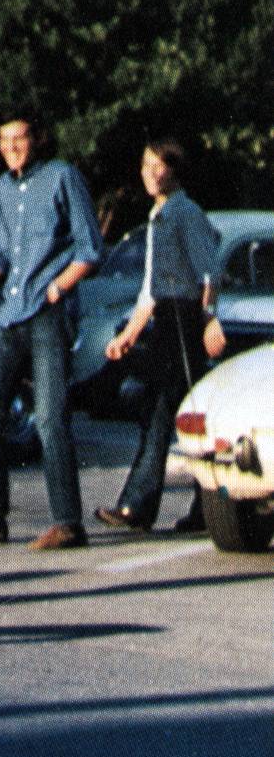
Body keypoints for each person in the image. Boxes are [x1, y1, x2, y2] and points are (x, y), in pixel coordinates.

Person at [0, 113, 104, 550]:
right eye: (4, 139)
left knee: (51, 418)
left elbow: (90, 249)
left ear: (37, 138)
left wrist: (58, 287)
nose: (12, 146)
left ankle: (68, 523)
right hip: (10, 313)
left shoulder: (61, 177)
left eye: (20, 138)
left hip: (47, 313)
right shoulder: (2, 187)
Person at [95, 139, 218, 533]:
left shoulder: (186, 213)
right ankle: (150, 507)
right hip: (166, 320)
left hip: (186, 321)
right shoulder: (157, 215)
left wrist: (209, 320)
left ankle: (167, 507)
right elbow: (150, 288)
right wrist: (129, 334)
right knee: (163, 412)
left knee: (187, 414)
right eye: (145, 164)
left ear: (175, 170)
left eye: (159, 165)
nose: (149, 172)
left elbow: (209, 273)